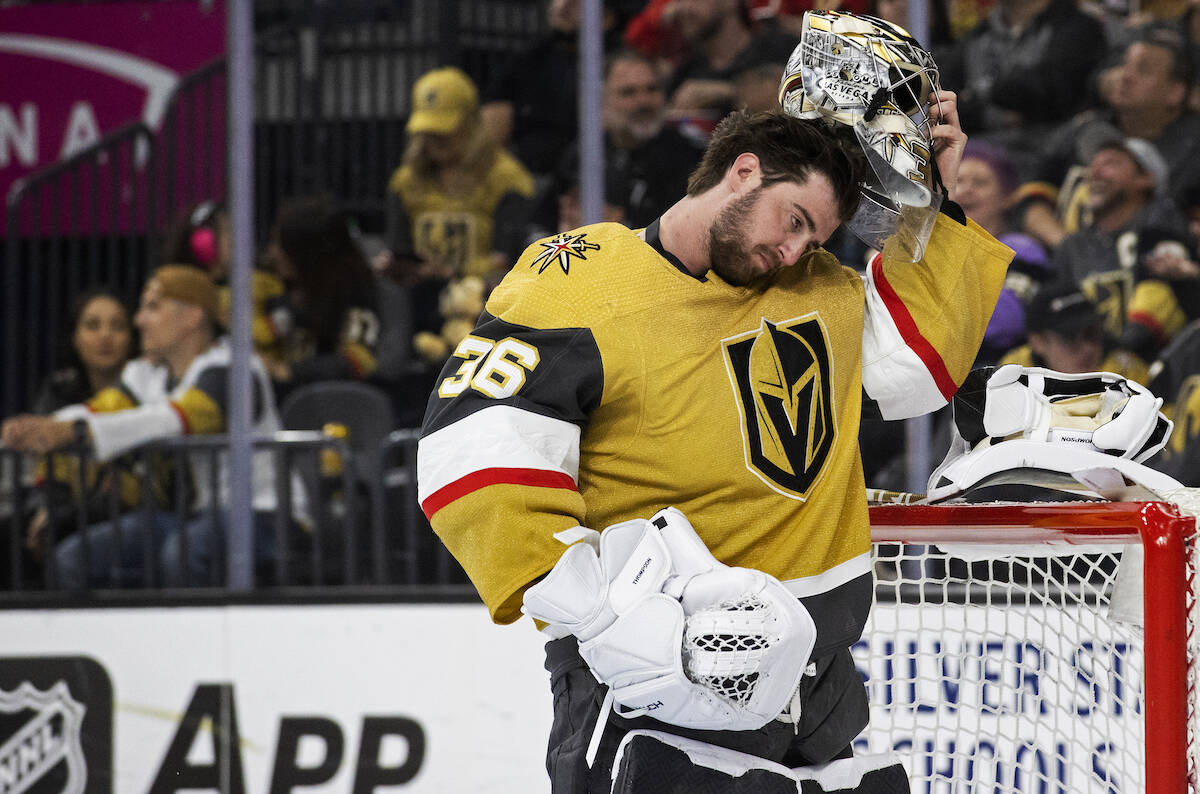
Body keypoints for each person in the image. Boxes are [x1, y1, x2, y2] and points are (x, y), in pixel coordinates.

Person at [417, 12, 1012, 789]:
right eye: (793, 220)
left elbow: (916, 373)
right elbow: (471, 460)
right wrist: (607, 618)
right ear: (742, 171)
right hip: (657, 688)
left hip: (817, 694)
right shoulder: (581, 278)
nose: (793, 251)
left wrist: (935, 202)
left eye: (814, 239)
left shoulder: (820, 289)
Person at [0, 266, 296, 588]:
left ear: (193, 317)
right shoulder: (147, 375)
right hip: (195, 518)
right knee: (73, 558)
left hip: (264, 516)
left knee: (182, 551)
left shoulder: (234, 368)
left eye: (153, 307)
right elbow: (96, 410)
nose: (139, 320)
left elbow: (176, 419)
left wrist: (75, 431)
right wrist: (32, 429)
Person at [266, 195, 384, 401]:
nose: (272, 253)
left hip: (339, 406)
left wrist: (289, 371)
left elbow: (357, 361)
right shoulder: (272, 290)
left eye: (281, 245)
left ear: (307, 253)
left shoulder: (356, 293)